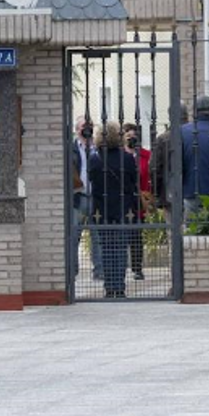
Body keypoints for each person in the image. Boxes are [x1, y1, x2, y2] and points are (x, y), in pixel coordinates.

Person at [89, 121, 138, 299]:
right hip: (123, 208)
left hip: (101, 209)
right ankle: (120, 286)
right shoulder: (127, 158)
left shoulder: (95, 159)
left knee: (107, 249)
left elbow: (93, 184)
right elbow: (133, 181)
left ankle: (109, 287)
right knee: (121, 248)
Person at [72, 116, 104, 280]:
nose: (88, 129)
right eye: (85, 126)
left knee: (97, 235)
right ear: (77, 129)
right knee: (74, 234)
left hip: (96, 196)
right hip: (78, 196)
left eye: (90, 125)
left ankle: (99, 271)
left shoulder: (98, 147)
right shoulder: (71, 148)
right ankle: (72, 271)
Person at [123, 122, 152, 281]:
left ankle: (137, 268)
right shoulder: (120, 154)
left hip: (139, 200)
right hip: (122, 200)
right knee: (121, 235)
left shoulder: (145, 155)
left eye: (133, 136)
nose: (131, 139)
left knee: (136, 236)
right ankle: (119, 267)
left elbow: (149, 176)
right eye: (128, 136)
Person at [150, 103, 188, 221]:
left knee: (173, 231)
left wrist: (157, 193)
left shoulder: (163, 138)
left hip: (171, 192)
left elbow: (155, 168)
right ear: (186, 116)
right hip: (193, 191)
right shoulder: (193, 135)